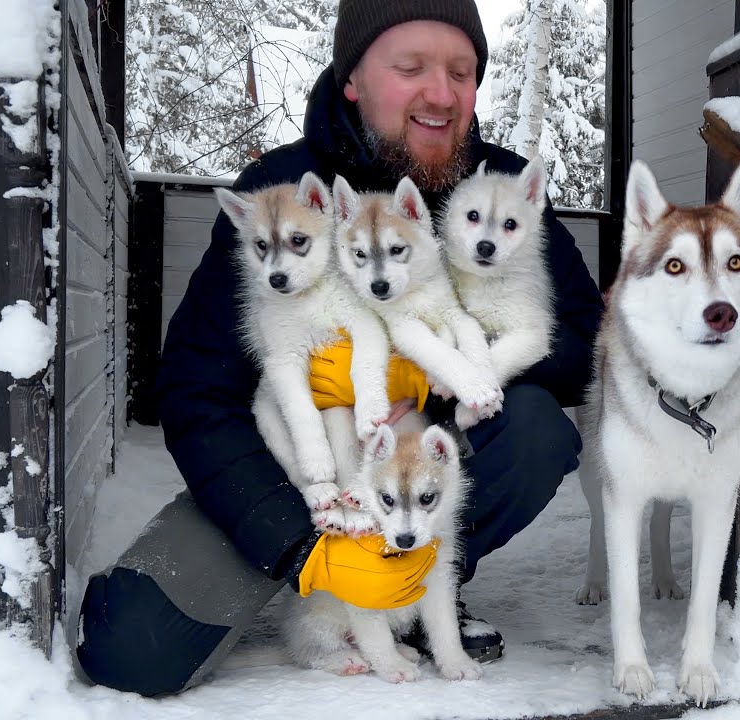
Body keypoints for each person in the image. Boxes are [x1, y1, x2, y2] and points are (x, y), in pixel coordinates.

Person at [75, 0, 604, 696]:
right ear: (352, 77)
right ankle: (326, 579)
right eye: (410, 68)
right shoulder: (286, 196)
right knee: (132, 650)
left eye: (462, 71)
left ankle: (413, 586)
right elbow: (195, 390)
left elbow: (584, 342)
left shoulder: (493, 193)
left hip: (415, 467)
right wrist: (297, 540)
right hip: (291, 468)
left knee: (536, 427)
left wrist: (450, 366)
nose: (441, 94)